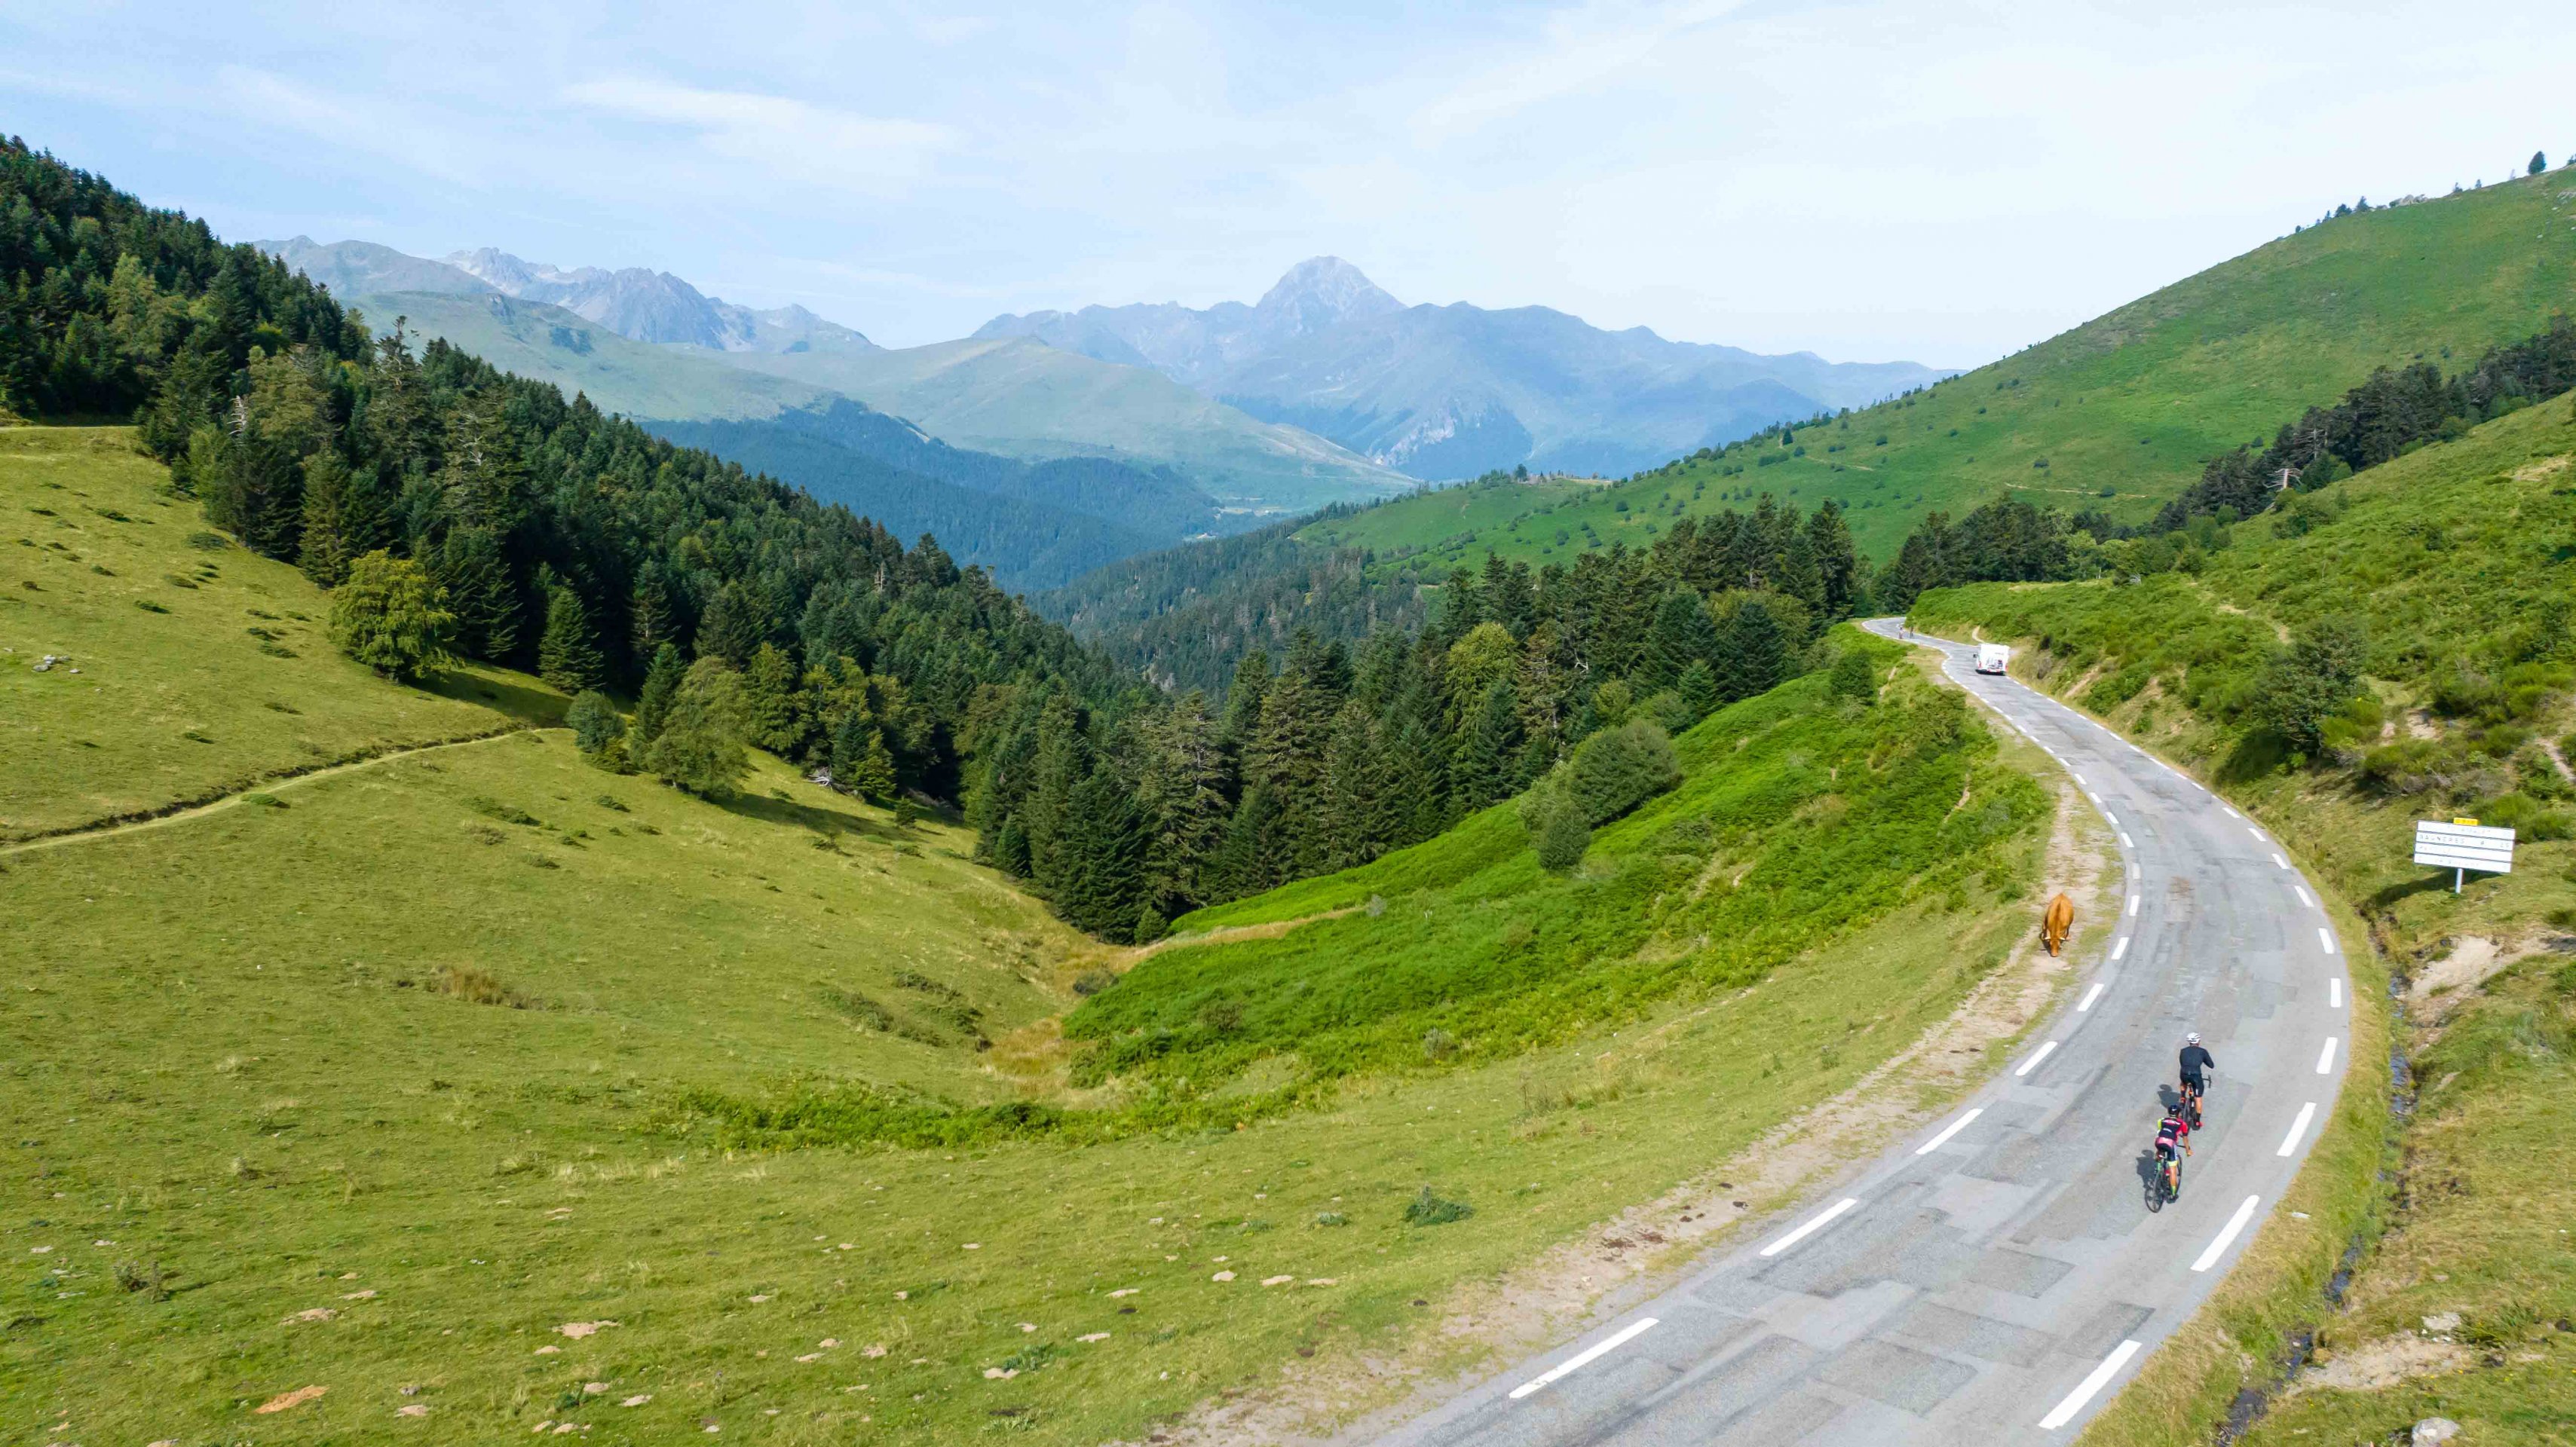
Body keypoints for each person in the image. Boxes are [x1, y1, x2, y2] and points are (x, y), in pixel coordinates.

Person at [2179, 1032, 2214, 1097]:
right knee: (2198, 1098)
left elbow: (2182, 1063)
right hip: (2196, 1075)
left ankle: (2183, 1098)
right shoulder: (2203, 1051)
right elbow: (2211, 1065)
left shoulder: (2183, 1051)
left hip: (2184, 1074)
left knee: (2183, 1083)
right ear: (2198, 1041)